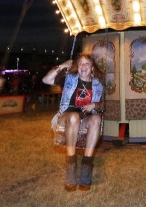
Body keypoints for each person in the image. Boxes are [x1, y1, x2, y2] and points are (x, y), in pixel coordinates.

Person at [42, 54, 105, 191]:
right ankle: (71, 164)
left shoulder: (97, 85)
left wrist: (95, 105)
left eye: (86, 64)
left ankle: (86, 166)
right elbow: (46, 80)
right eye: (80, 63)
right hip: (66, 118)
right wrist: (62, 66)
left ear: (92, 68)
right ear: (77, 66)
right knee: (74, 117)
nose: (83, 66)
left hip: (85, 118)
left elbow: (102, 106)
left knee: (96, 119)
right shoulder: (68, 79)